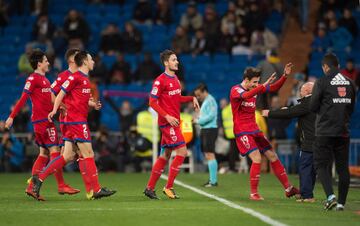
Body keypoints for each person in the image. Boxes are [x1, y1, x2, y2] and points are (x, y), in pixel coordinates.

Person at [32, 50, 116, 200]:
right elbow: (59, 94)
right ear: (84, 62)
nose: (93, 62)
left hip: (73, 121)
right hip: (76, 121)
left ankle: (39, 178)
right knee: (88, 153)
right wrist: (55, 110)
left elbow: (77, 98)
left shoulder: (83, 79)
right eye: (91, 59)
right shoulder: (75, 77)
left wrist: (92, 104)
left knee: (68, 156)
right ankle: (95, 190)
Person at [5, 49, 79, 201]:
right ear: (39, 64)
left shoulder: (44, 80)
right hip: (43, 121)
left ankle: (31, 187)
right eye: (46, 61)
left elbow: (50, 99)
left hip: (43, 121)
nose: (48, 63)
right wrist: (11, 117)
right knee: (55, 152)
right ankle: (61, 185)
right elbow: (23, 98)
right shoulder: (33, 79)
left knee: (43, 154)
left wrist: (63, 106)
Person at [230, 63, 300, 201]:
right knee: (257, 158)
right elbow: (246, 95)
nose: (256, 84)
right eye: (254, 82)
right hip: (242, 131)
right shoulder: (236, 90)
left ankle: (288, 188)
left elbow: (275, 87)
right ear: (246, 80)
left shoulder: (255, 87)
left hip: (254, 129)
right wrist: (261, 86)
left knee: (272, 155)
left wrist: (285, 76)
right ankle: (253, 194)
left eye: (258, 82)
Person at [143, 49, 199, 200]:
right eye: (174, 60)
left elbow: (177, 98)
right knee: (182, 152)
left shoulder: (176, 80)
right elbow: (152, 102)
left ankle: (149, 188)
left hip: (174, 122)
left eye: (177, 59)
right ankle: (168, 187)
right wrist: (166, 116)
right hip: (167, 123)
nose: (177, 62)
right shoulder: (160, 80)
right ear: (166, 63)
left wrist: (191, 98)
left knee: (165, 155)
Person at [310, 53, 356, 211]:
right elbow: (351, 107)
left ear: (325, 67)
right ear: (339, 65)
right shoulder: (350, 82)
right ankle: (341, 203)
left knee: (321, 164)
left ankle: (331, 197)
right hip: (343, 130)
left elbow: (312, 106)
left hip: (324, 131)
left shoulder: (322, 81)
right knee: (343, 167)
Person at [262, 82, 316, 202]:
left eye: (301, 90)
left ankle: (307, 196)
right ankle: (306, 193)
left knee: (305, 168)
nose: (299, 92)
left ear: (307, 91)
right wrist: (290, 109)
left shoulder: (308, 102)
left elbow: (290, 113)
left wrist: (270, 113)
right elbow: (295, 111)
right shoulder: (316, 101)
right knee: (311, 169)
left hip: (310, 141)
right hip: (318, 140)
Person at [194, 83, 218, 187]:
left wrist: (198, 120)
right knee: (208, 154)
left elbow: (211, 116)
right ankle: (212, 180)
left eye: (199, 95)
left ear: (204, 91)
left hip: (210, 129)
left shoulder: (210, 100)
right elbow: (205, 115)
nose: (198, 97)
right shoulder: (206, 102)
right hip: (206, 129)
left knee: (210, 154)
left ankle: (213, 181)